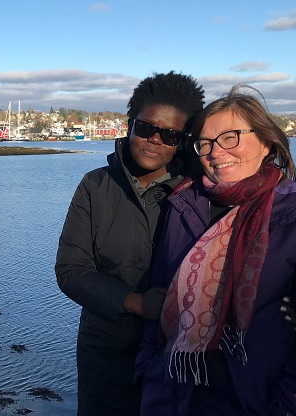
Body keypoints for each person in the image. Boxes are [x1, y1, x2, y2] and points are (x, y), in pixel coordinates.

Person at [136, 85, 296, 415]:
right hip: (171, 396)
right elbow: (160, 296)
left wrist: (292, 401)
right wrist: (147, 369)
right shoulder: (183, 207)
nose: (216, 152)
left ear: (266, 141)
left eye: (231, 137)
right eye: (206, 143)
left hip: (254, 401)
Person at [55, 71, 205, 415]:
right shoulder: (95, 186)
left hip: (180, 356)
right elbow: (70, 270)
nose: (154, 140)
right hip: (105, 355)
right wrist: (134, 302)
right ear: (129, 125)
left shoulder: (199, 193)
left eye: (169, 134)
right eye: (146, 128)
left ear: (182, 141)